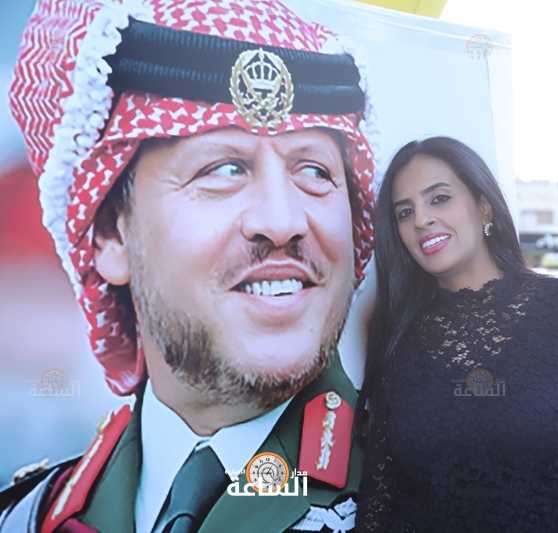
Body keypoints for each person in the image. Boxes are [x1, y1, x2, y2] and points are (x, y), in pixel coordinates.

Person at [1, 0, 376, 532]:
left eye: (315, 171)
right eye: (225, 169)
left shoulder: (443, 501)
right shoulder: (31, 517)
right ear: (110, 235)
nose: (282, 221)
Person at [355, 137, 558, 532]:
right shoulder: (399, 338)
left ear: (484, 206)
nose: (421, 219)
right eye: (405, 212)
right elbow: (380, 499)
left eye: (439, 199)